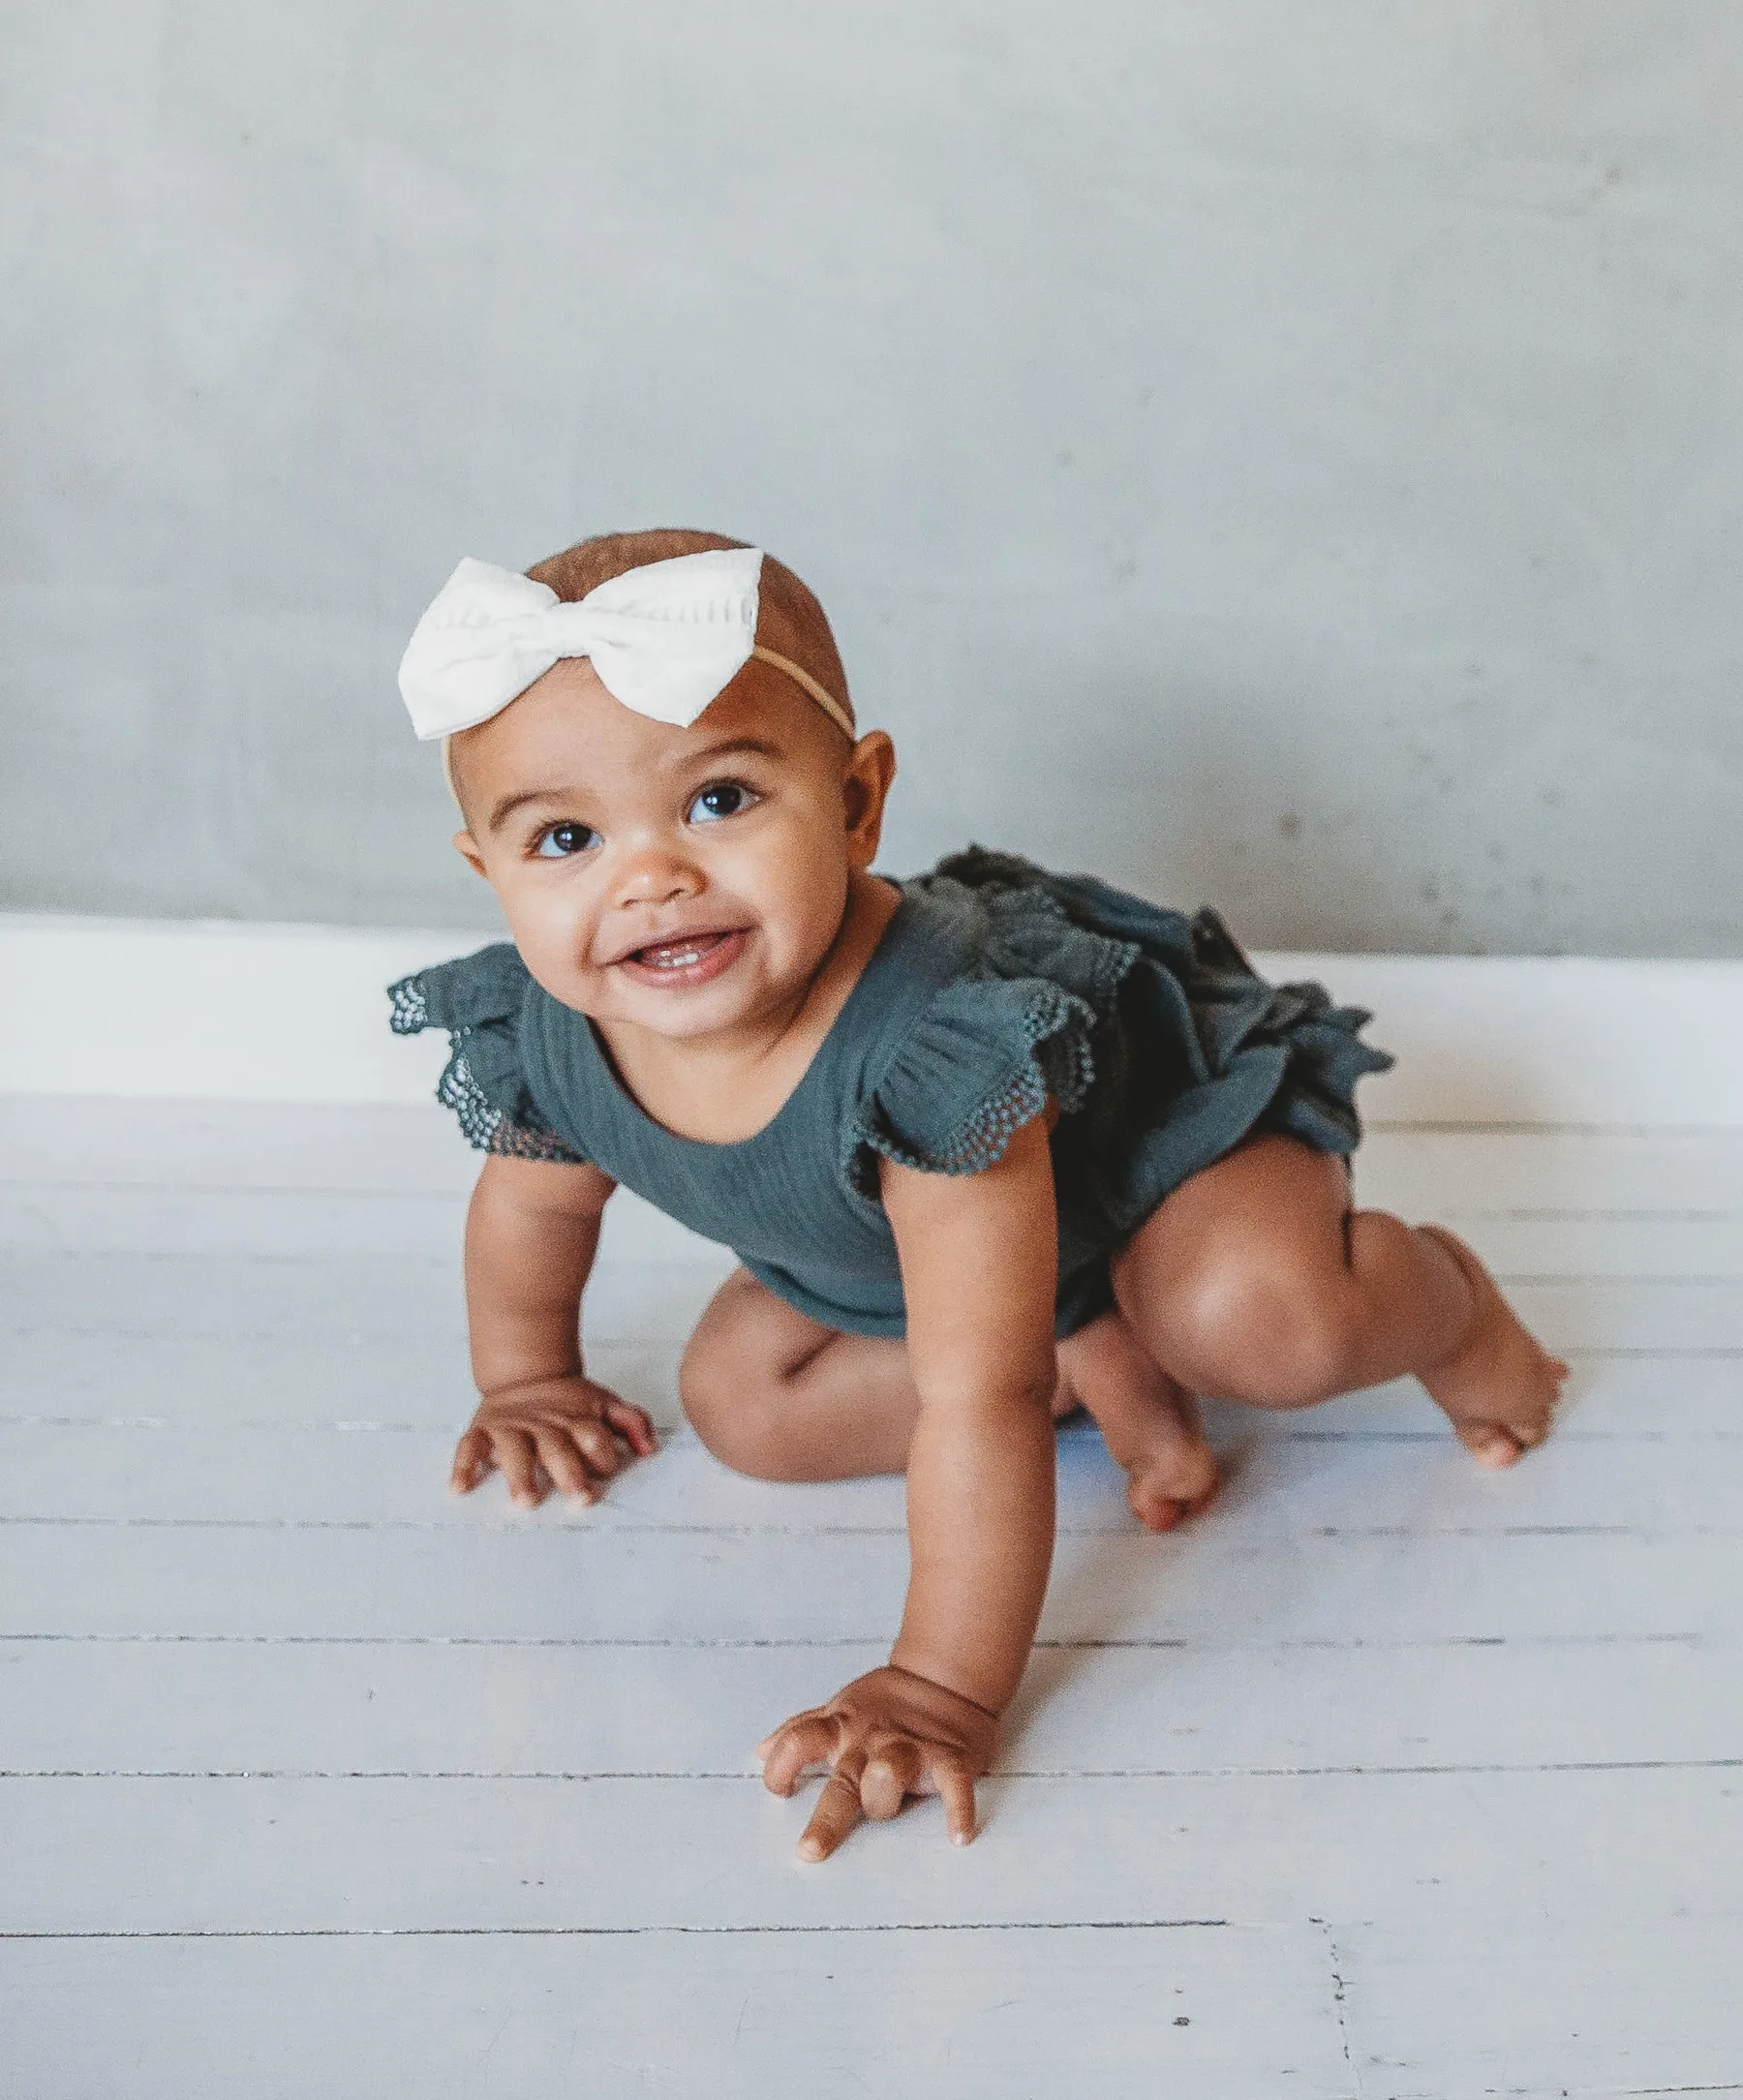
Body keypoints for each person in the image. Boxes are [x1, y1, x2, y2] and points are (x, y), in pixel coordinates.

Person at [388, 528, 1567, 1863]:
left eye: (719, 801)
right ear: (490, 873)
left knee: (1252, 1319)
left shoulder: (934, 1046)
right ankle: (1083, 1336)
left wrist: (939, 1684)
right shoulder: (553, 1026)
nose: (649, 876)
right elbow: (533, 1217)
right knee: (743, 1408)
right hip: (964, 1252)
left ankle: (1452, 1309)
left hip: (1165, 1159)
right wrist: (526, 1377)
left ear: (855, 802)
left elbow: (972, 1401)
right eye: (564, 836)